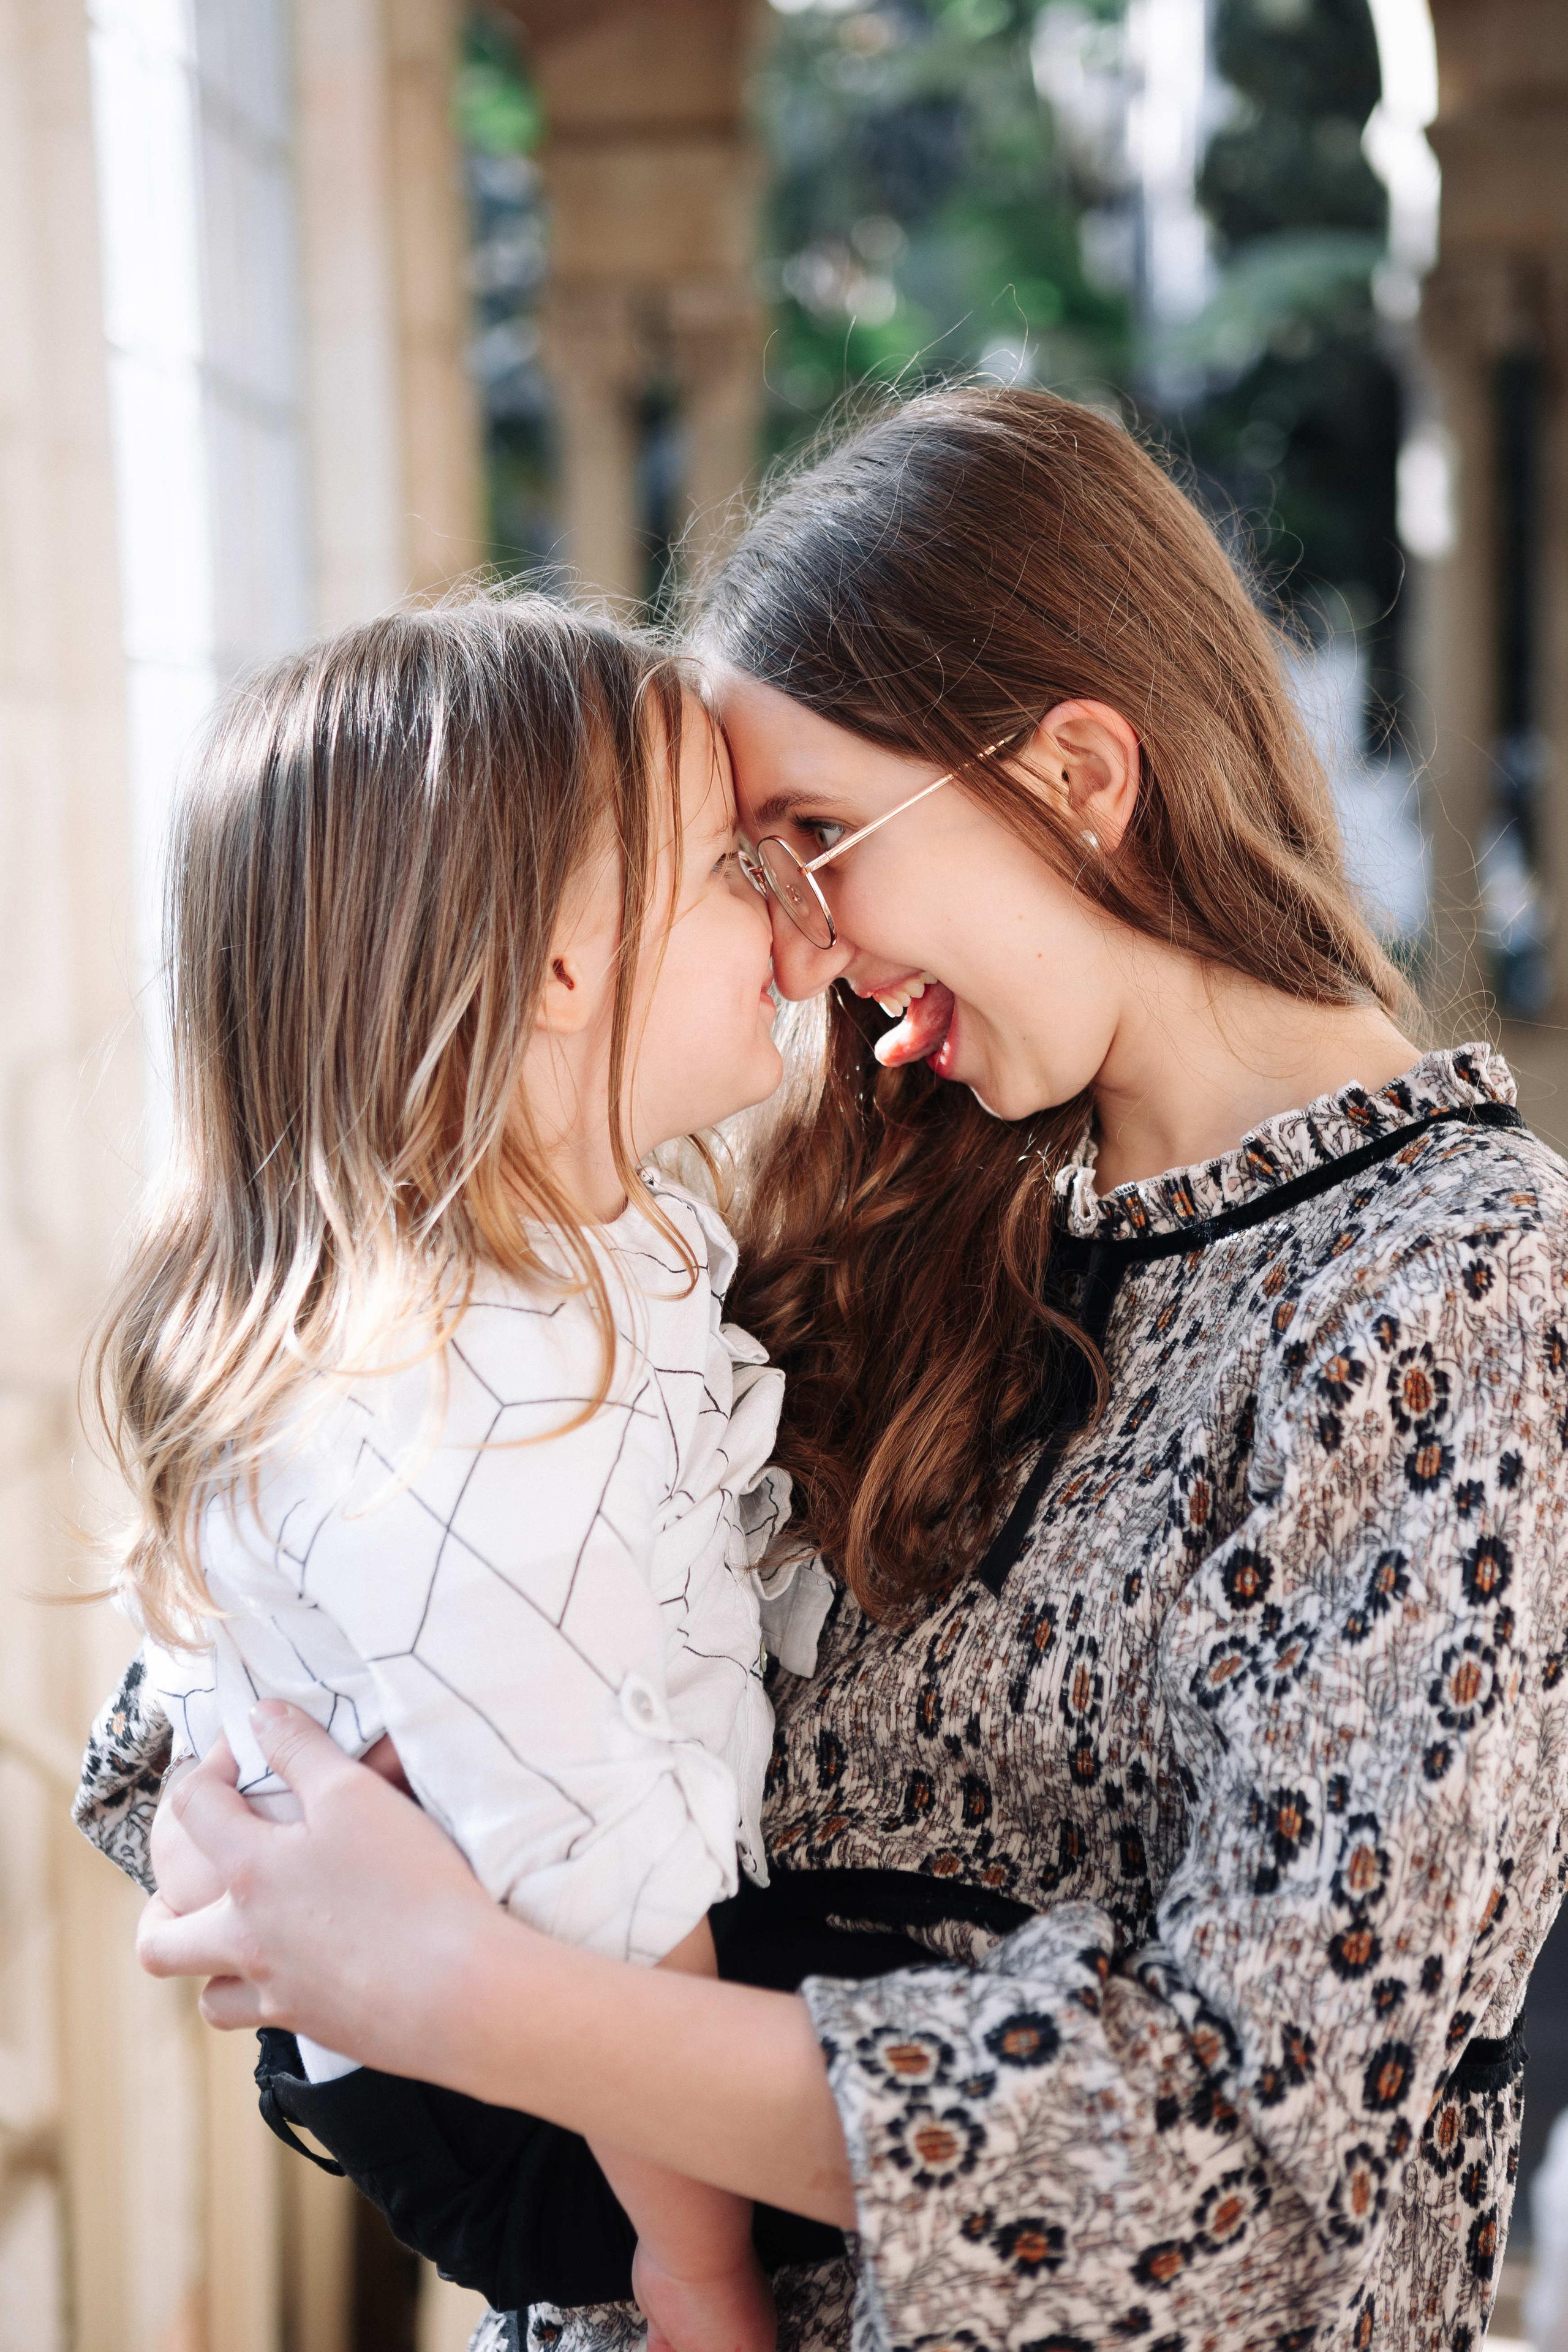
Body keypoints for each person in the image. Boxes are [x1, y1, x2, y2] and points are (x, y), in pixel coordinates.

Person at [119, 388, 1567, 2352]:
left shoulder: (1462, 1287)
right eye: (747, 866)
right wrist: (263, 1837)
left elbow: (1240, 2165)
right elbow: (262, 1654)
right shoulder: (846, 1203)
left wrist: (453, 1990)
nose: (803, 945)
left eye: (815, 840)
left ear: (1078, 773)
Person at [77, 593, 832, 2352]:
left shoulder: (582, 1243)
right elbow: (597, 1868)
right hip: (523, 2112)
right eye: (736, 868)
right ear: (561, 967)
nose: (797, 930)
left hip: (518, 1981)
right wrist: (698, 2270)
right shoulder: (461, 1398)